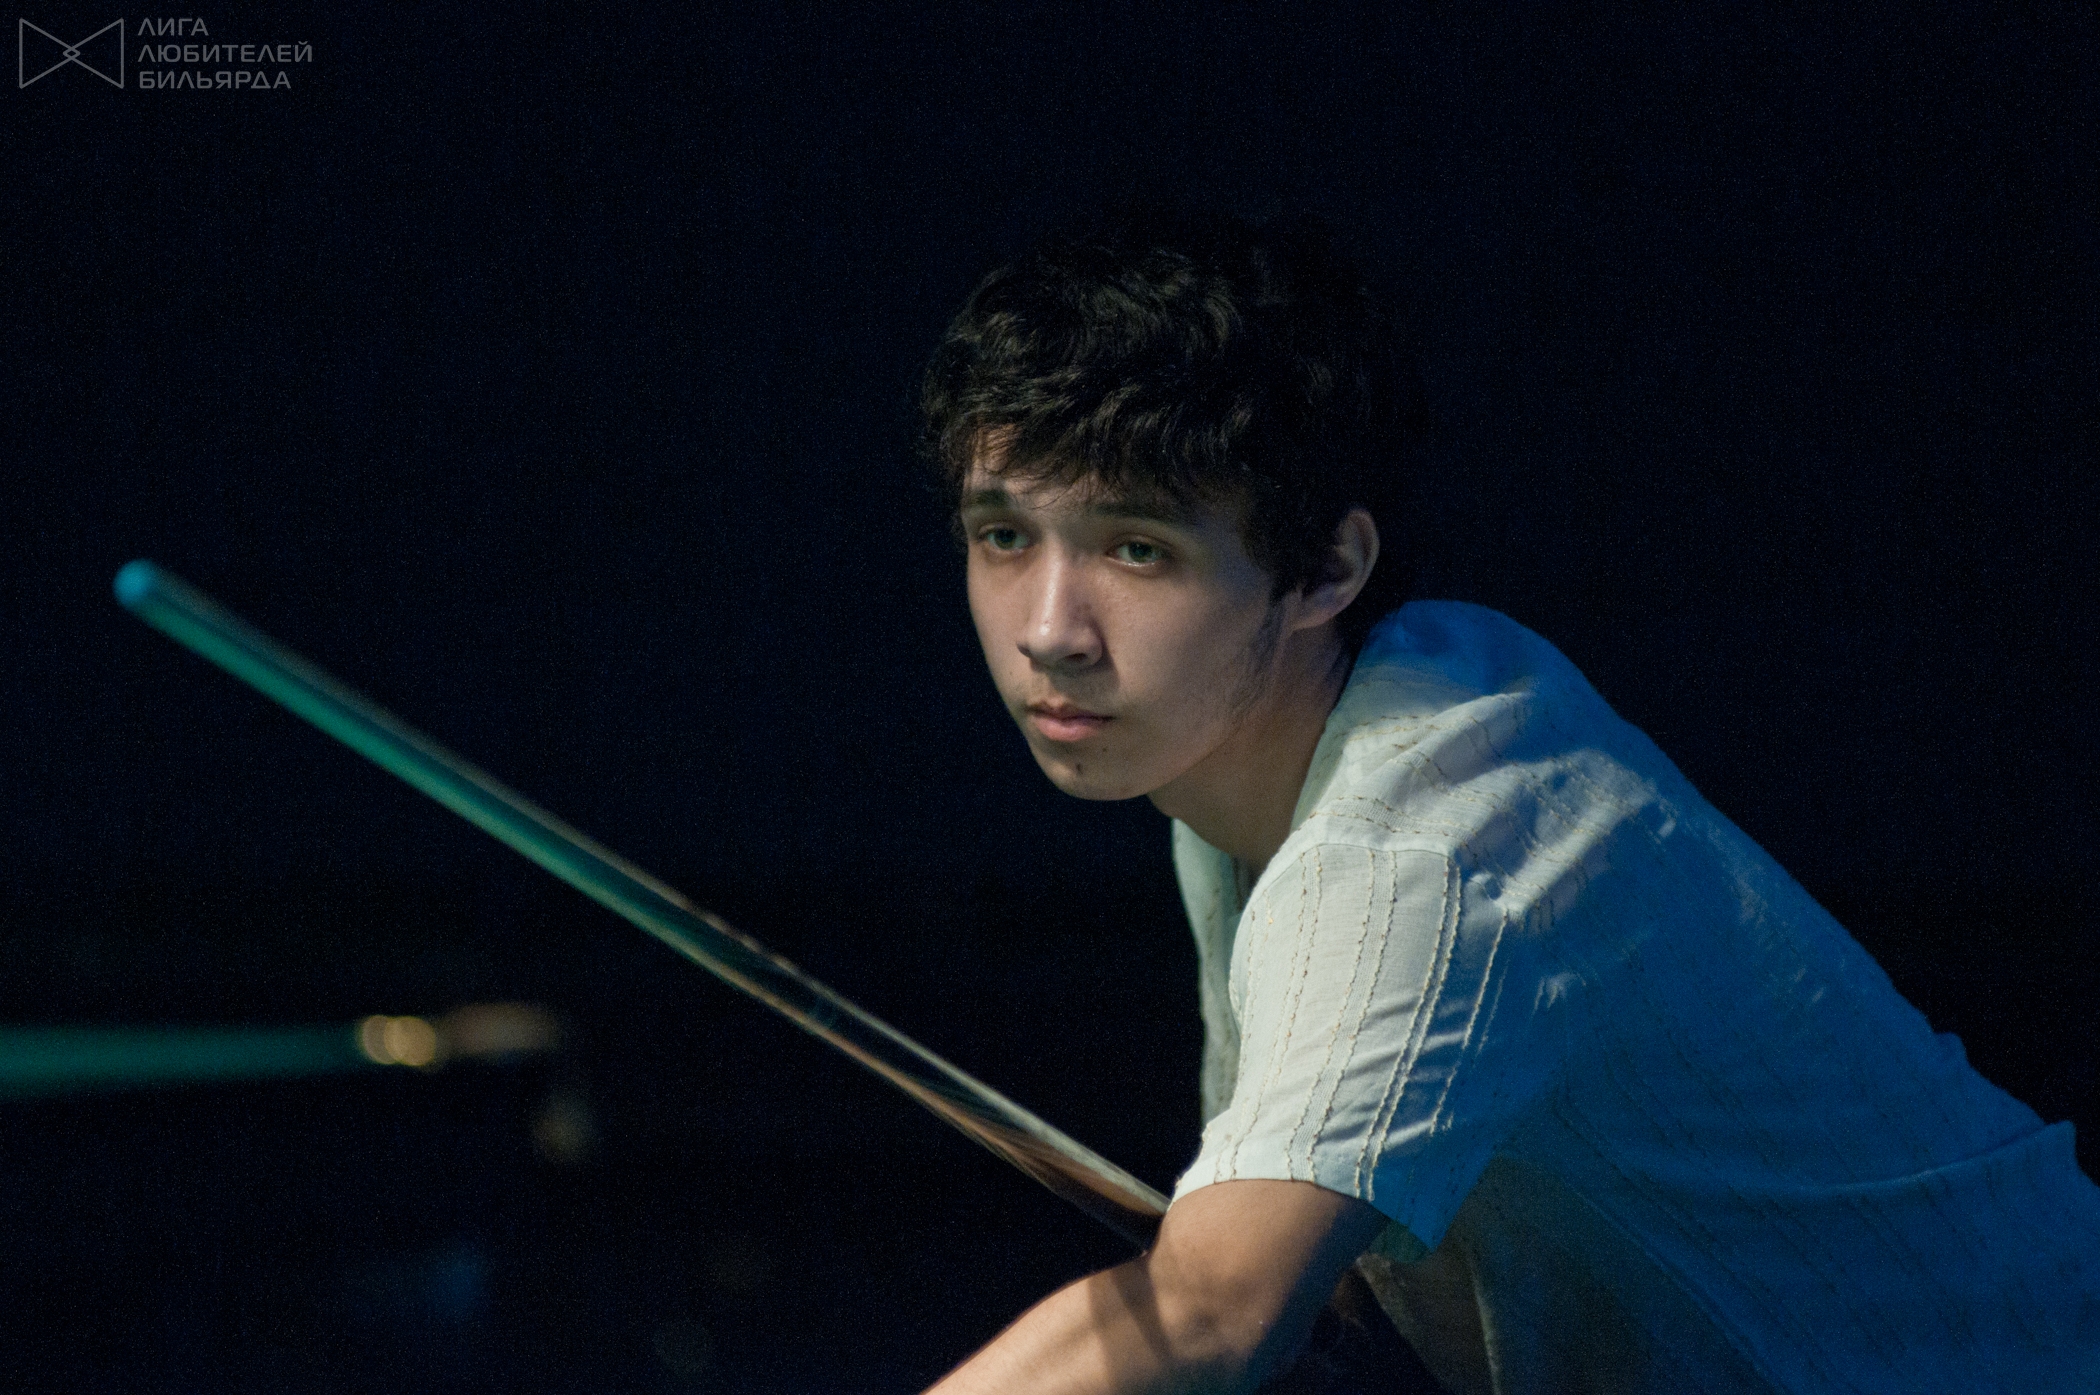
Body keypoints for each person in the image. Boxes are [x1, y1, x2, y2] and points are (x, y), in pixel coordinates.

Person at [911, 207, 2100, 1395]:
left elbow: (1212, 1312)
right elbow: (1310, 1305)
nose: (1049, 632)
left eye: (1138, 549)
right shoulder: (1254, 756)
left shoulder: (1419, 850)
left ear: (1326, 568)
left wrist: (1222, 1298)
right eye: (1004, 535)